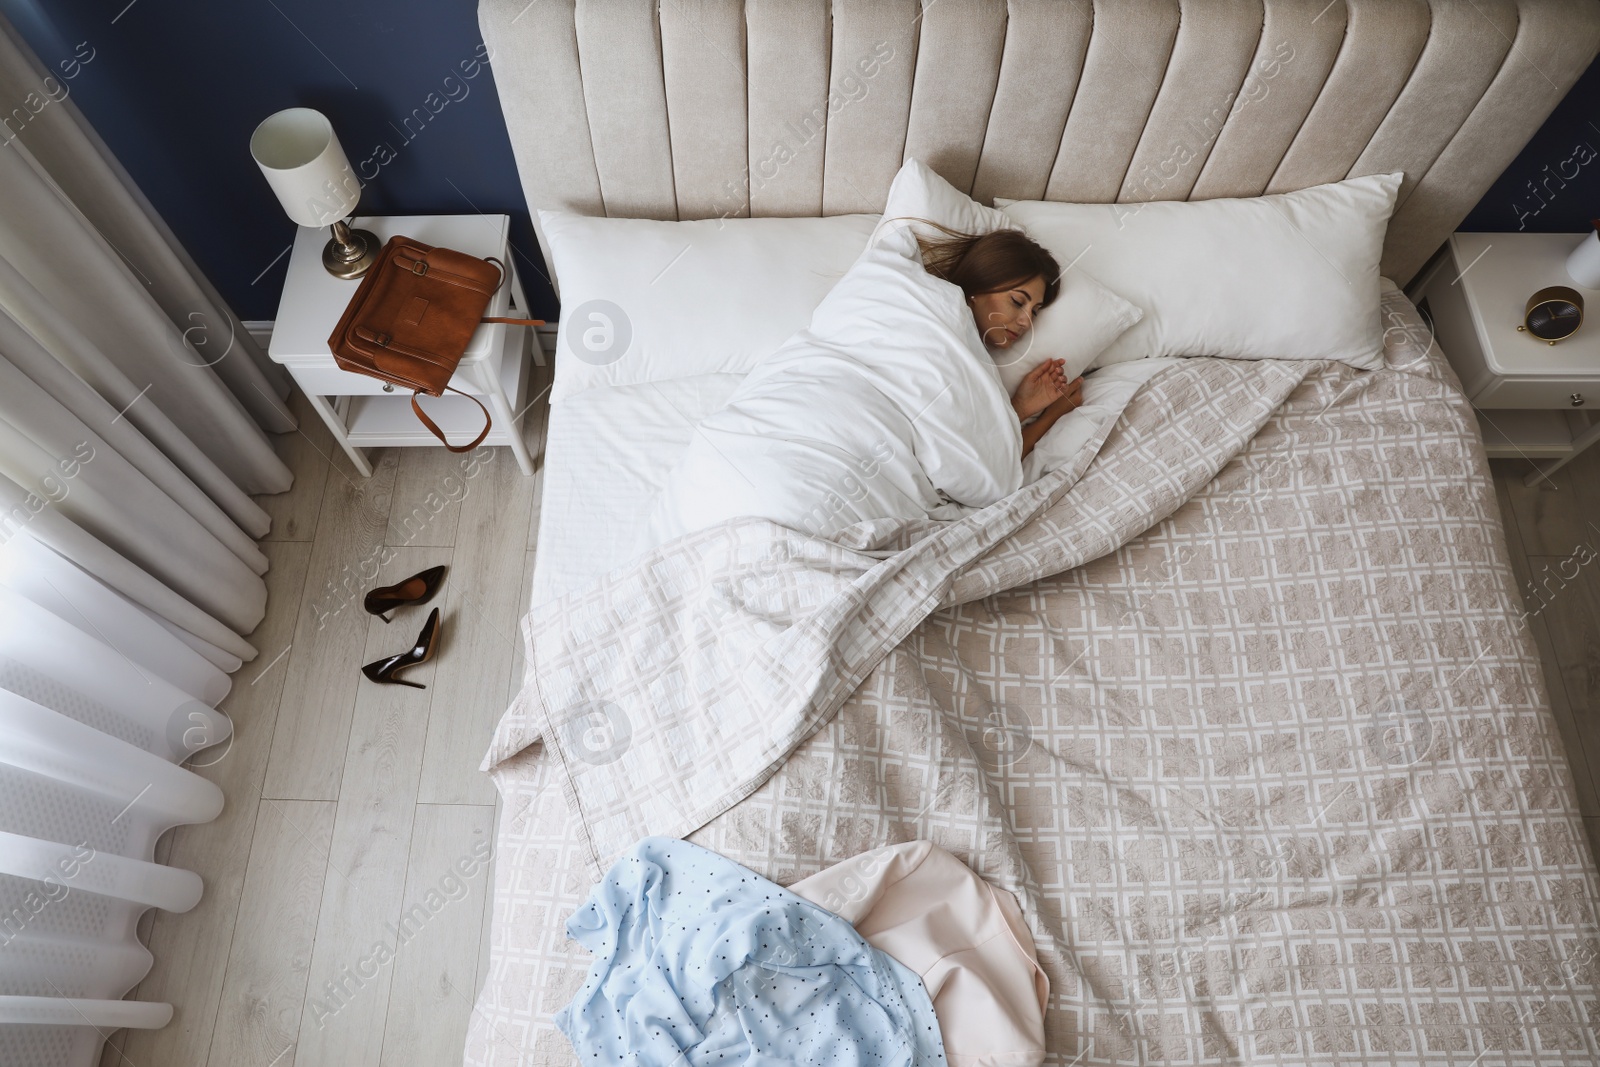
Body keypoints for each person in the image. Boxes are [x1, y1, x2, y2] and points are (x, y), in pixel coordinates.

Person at [915, 226, 1085, 457]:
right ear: (978, 284)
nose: (1027, 322)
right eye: (1017, 301)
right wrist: (1052, 417)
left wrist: (1021, 407)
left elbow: (978, 456)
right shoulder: (927, 316)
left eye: (1035, 311)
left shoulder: (978, 365)